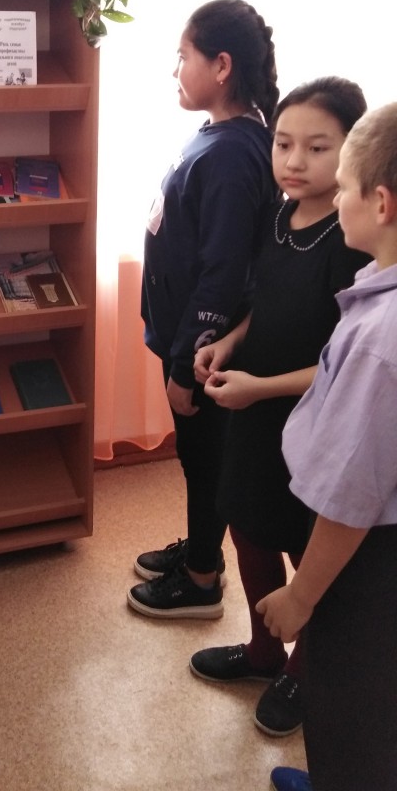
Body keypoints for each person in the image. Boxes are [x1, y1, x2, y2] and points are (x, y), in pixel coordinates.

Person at [188, 77, 370, 739]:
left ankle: (301, 672)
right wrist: (228, 342)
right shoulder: (276, 216)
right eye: (283, 144)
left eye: (317, 148)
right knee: (248, 529)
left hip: (312, 422)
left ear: (353, 152)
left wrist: (258, 386)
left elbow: (342, 365)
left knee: (304, 551)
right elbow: (263, 302)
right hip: (254, 413)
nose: (294, 162)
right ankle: (264, 652)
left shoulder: (354, 239)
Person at [257, 100, 397, 791]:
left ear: (381, 203)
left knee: (348, 701)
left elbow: (352, 496)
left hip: (371, 559)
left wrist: (300, 595)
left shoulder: (380, 340)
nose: (335, 200)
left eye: (342, 186)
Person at [128, 0, 278, 619]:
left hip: (203, 350)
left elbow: (223, 272)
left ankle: (201, 579)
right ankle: (199, 547)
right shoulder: (221, 136)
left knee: (204, 458)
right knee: (197, 457)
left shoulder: (234, 155)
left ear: (221, 65)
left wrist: (185, 363)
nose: (175, 69)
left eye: (183, 56)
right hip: (186, 338)